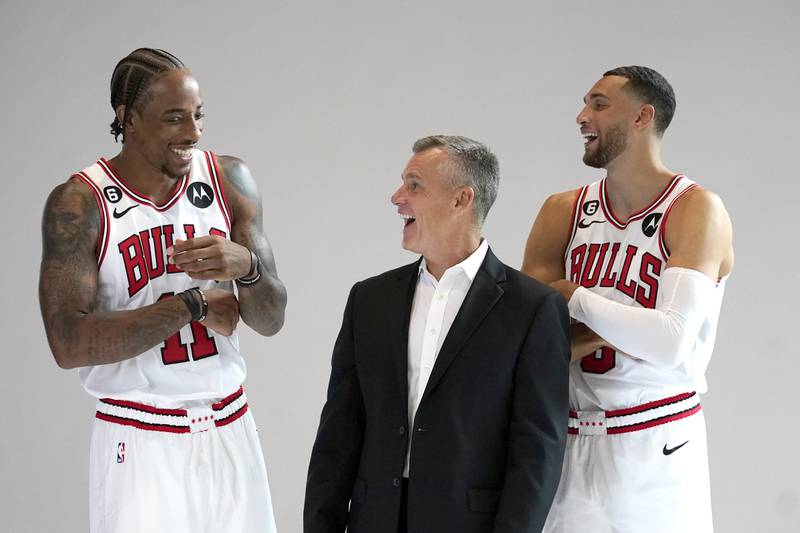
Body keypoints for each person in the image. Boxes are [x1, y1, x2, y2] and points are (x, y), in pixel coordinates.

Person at [38, 48, 287, 533]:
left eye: (197, 116)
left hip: (230, 428)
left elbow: (271, 320)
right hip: (140, 438)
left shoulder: (228, 179)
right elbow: (68, 344)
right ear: (127, 118)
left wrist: (249, 267)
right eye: (174, 119)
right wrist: (191, 305)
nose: (192, 132)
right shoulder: (80, 203)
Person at [304, 135, 570, 533]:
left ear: (462, 200)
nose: (397, 198)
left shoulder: (532, 308)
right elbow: (338, 433)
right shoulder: (369, 299)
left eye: (414, 186)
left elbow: (538, 452)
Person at [522, 66, 734, 532]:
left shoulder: (695, 209)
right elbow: (529, 348)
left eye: (599, 104)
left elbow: (670, 342)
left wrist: (575, 297)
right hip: (569, 441)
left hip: (657, 442)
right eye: (584, 104)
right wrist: (632, 327)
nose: (582, 116)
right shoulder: (563, 211)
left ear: (643, 117)